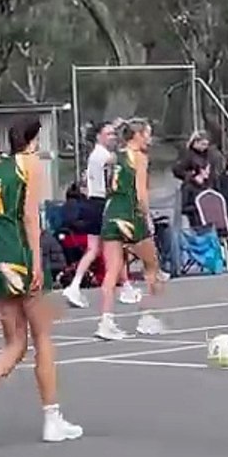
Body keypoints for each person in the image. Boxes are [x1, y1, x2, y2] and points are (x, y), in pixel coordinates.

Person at [0, 118, 83, 442]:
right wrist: (37, 261)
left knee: (15, 342)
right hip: (18, 249)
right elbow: (29, 215)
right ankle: (52, 419)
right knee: (43, 339)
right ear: (34, 138)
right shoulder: (31, 165)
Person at [92, 119, 167, 340]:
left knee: (112, 271)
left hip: (111, 213)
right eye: (147, 134)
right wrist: (147, 217)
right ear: (137, 135)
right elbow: (141, 193)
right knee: (152, 267)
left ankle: (106, 322)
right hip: (130, 215)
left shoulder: (114, 157)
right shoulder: (139, 158)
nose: (149, 139)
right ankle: (148, 317)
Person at [62, 122, 138, 308]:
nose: (112, 136)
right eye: (109, 133)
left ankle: (76, 285)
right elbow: (121, 159)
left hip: (93, 203)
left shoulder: (96, 155)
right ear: (98, 136)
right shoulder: (102, 155)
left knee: (97, 249)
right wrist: (126, 134)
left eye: (113, 133)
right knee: (113, 247)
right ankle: (124, 287)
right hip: (101, 204)